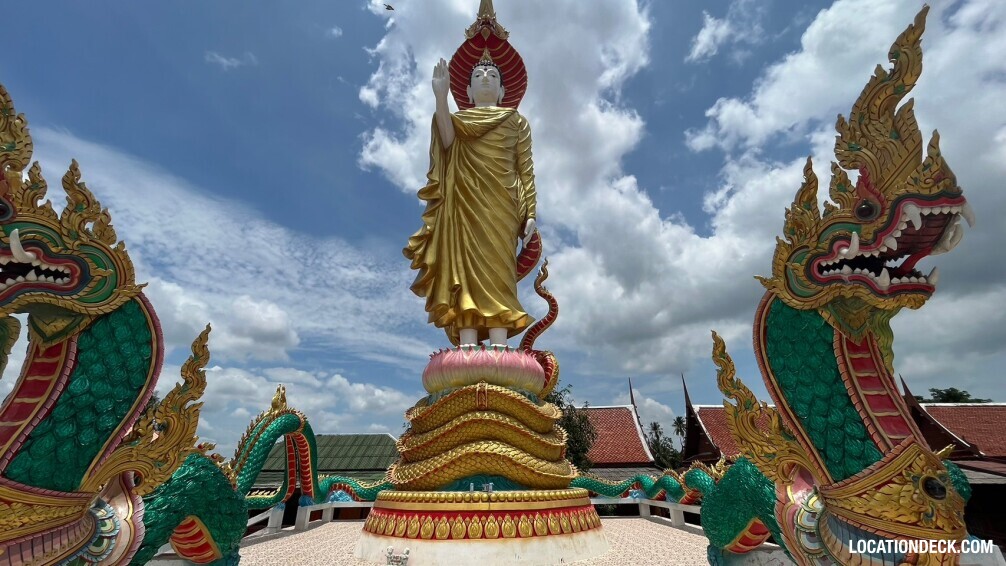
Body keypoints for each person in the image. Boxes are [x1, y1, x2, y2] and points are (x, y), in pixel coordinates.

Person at [404, 51, 537, 348]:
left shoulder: (517, 121)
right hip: (465, 202)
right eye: (478, 76)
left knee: (499, 269)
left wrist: (530, 212)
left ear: (503, 90)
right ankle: (466, 343)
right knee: (463, 270)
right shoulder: (459, 119)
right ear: (466, 91)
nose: (486, 79)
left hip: (503, 203)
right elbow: (448, 142)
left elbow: (525, 169)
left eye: (492, 77)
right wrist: (441, 98)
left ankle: (500, 344)